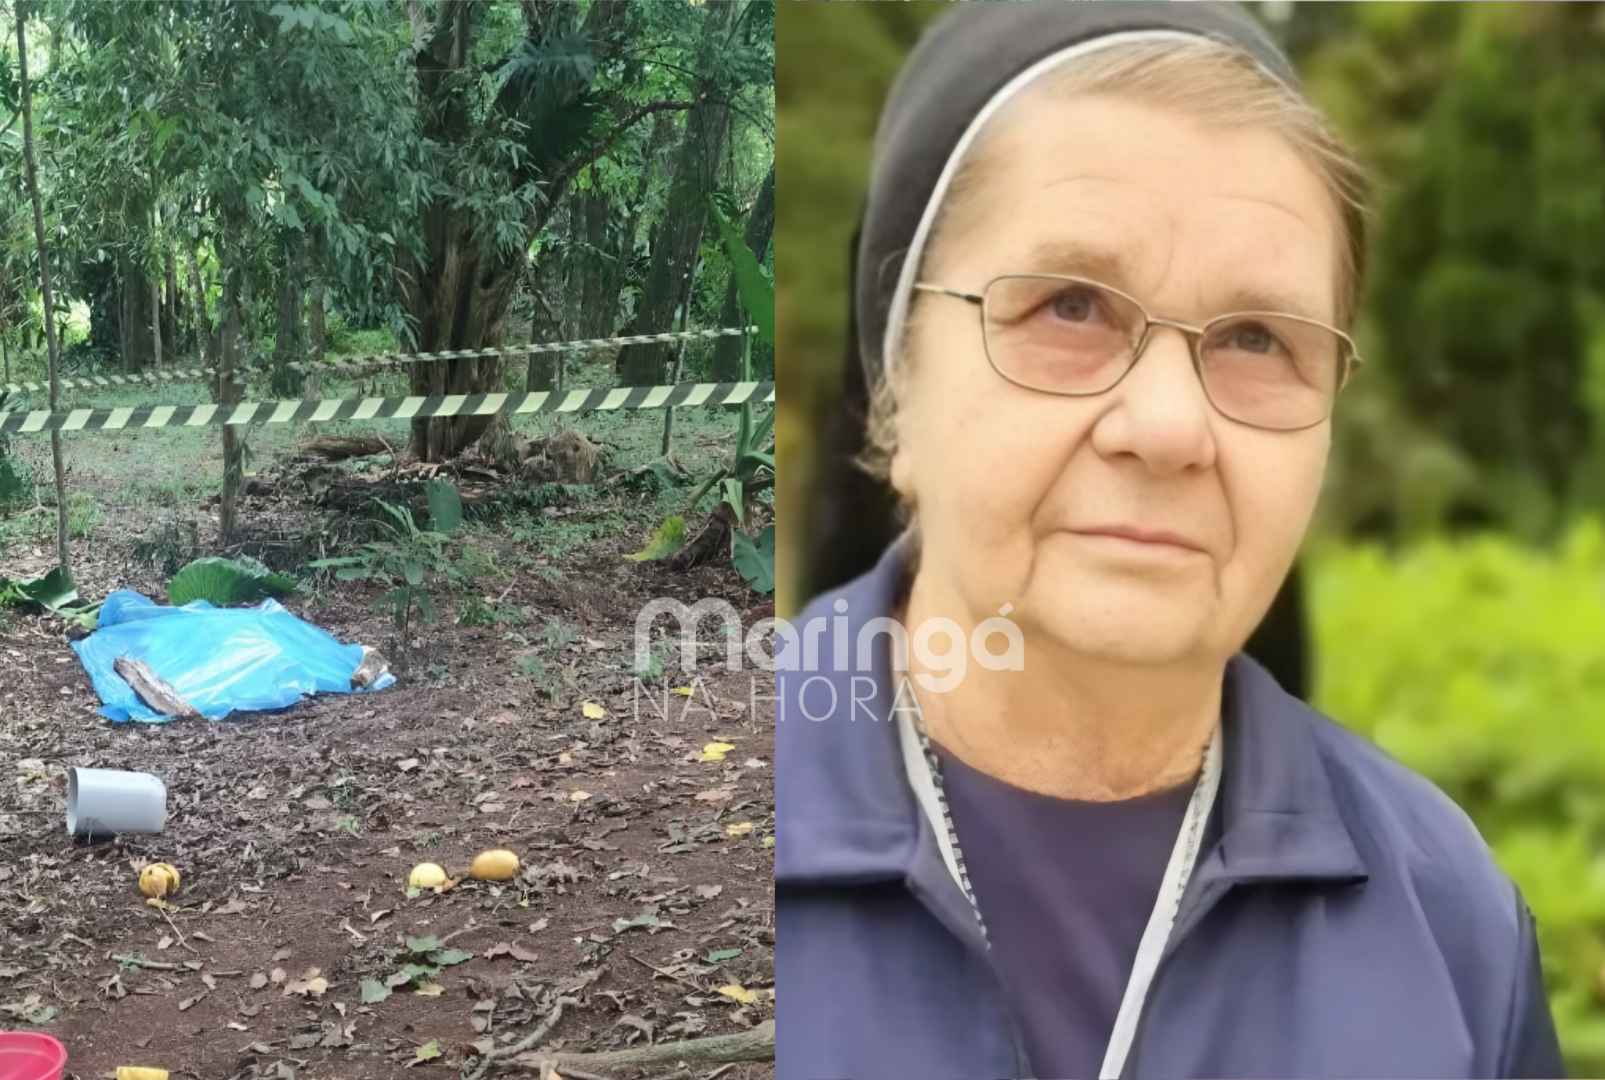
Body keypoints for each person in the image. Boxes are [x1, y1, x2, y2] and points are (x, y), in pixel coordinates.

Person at [775, 5, 1564, 1079]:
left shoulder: (1448, 919)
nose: (1169, 427)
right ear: (896, 389)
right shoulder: (682, 834)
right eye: (1068, 309)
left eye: (1256, 339)